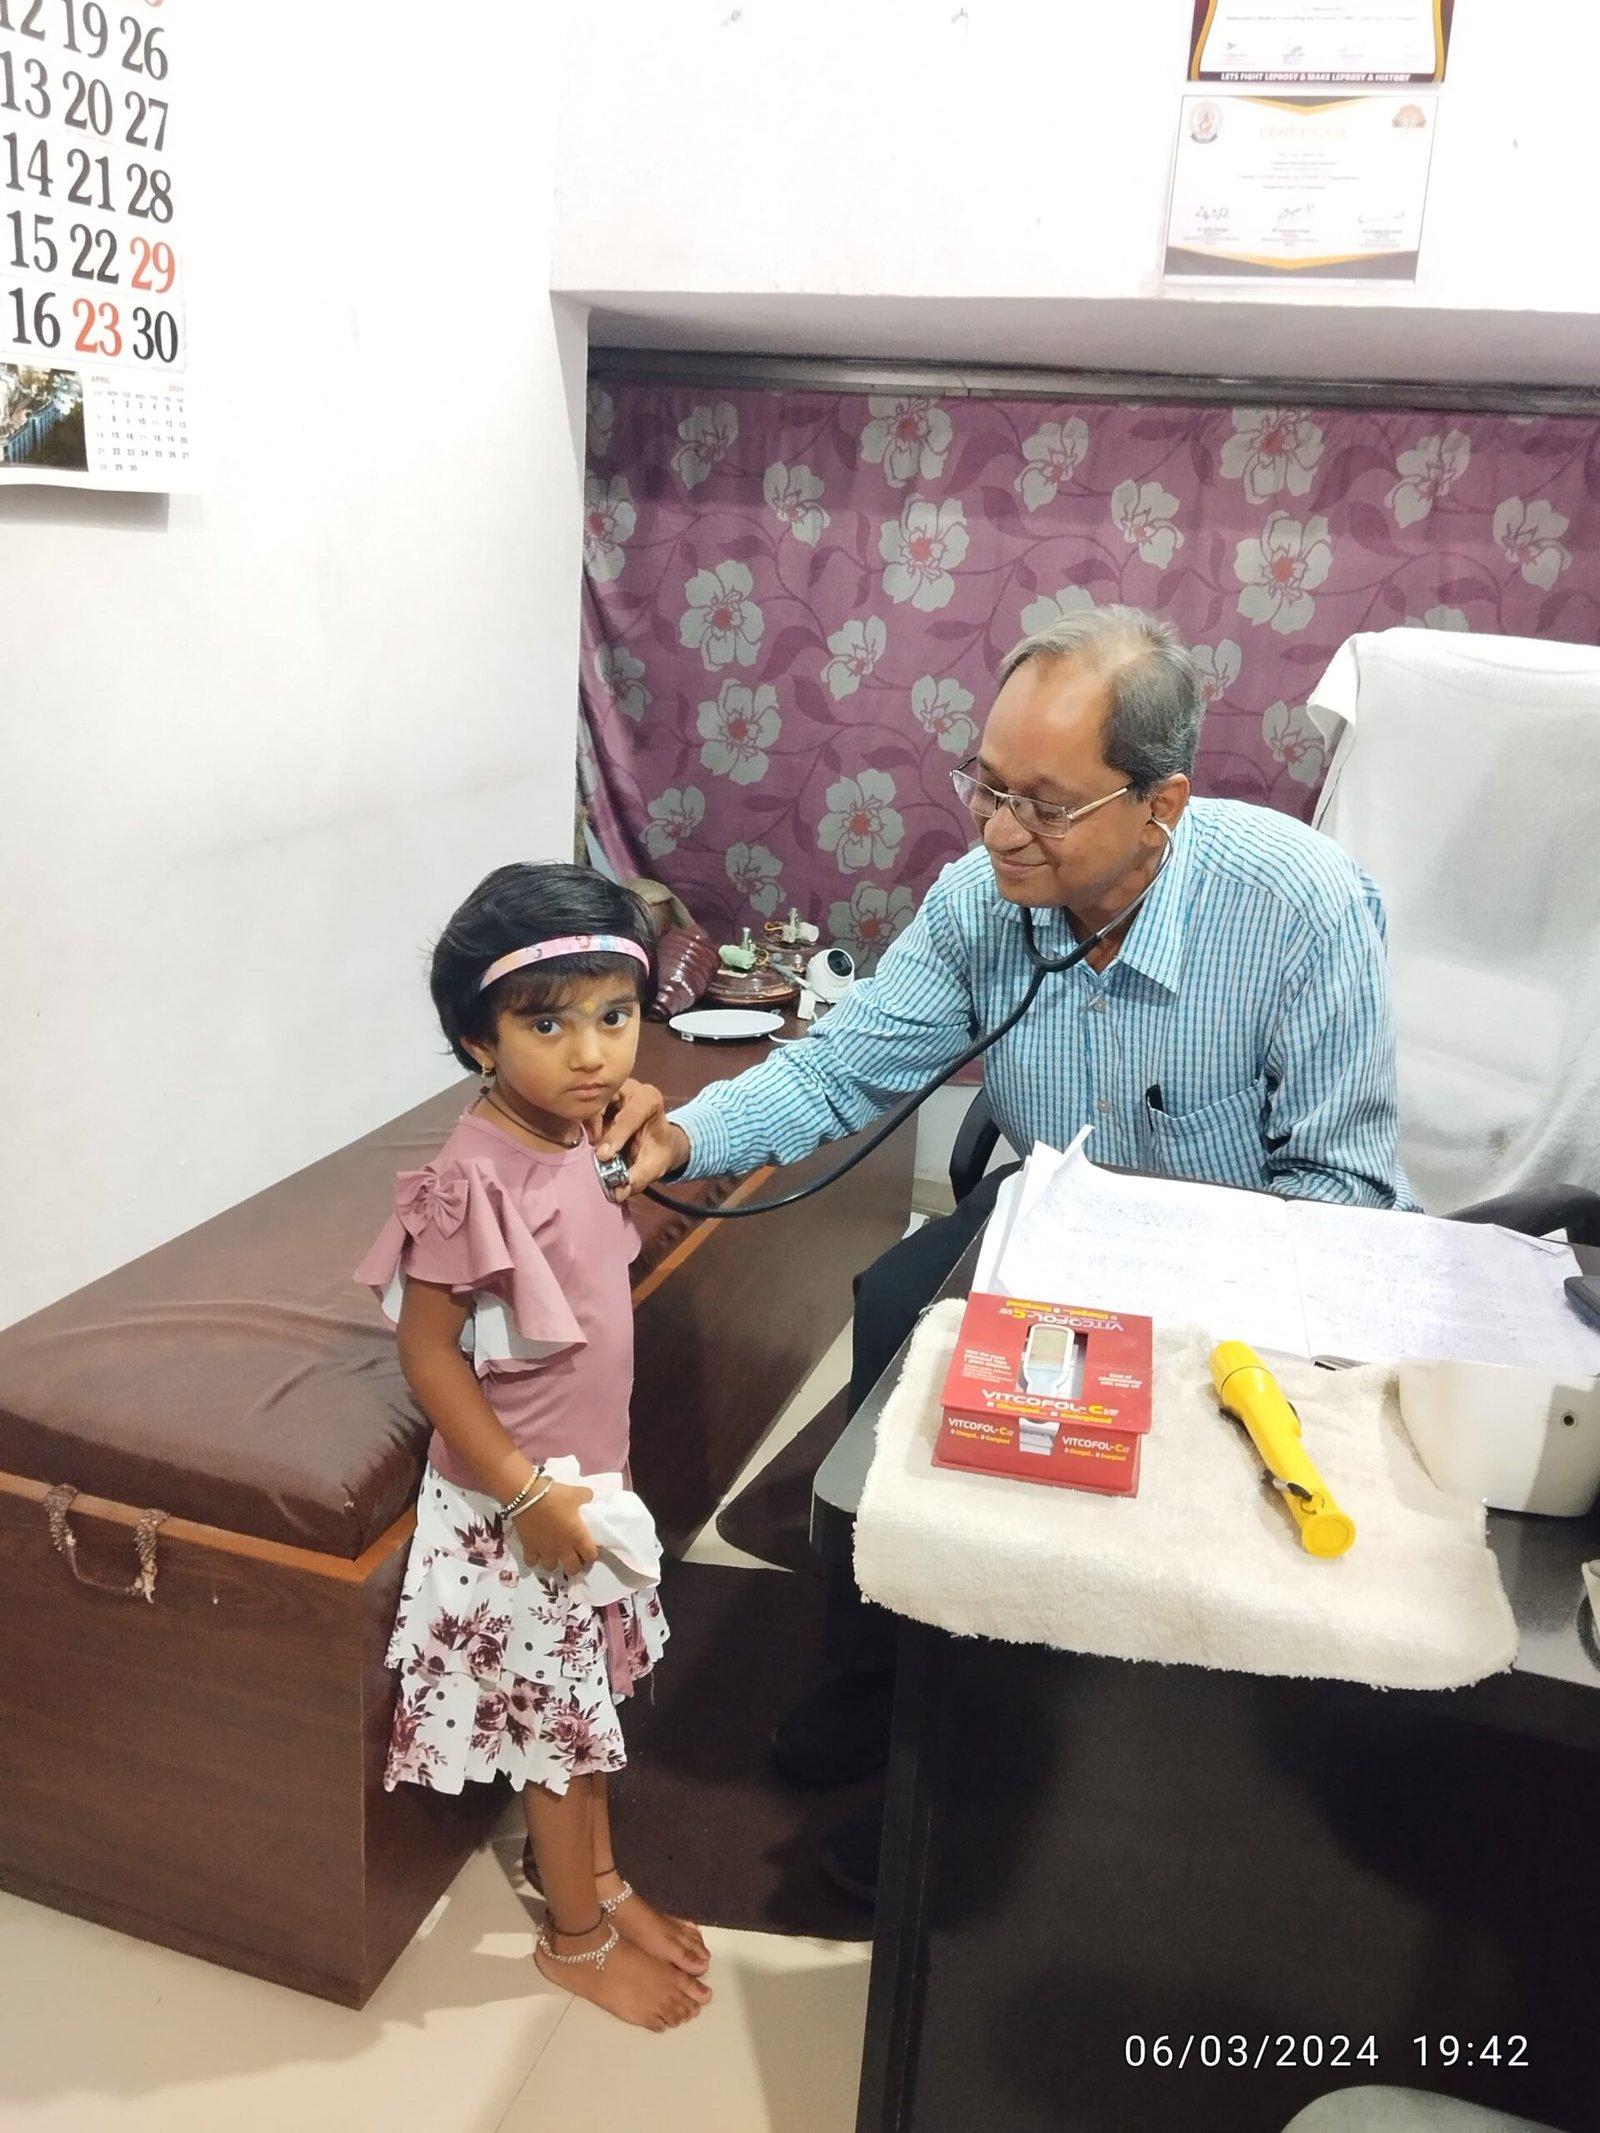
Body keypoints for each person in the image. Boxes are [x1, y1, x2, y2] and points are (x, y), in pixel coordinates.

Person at [598, 604, 1418, 1894]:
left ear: (1162, 803)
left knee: (1072, 1480)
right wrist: (677, 1138)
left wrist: (1191, 1329)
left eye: (1042, 804)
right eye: (984, 784)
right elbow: (841, 1071)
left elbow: (1341, 1191)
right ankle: (882, 1674)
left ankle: (984, 1777)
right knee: (897, 1316)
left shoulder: (1301, 912)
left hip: (1231, 1267)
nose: (992, 832)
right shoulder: (982, 900)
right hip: (1050, 1219)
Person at [355, 861, 712, 2029]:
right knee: (558, 1744)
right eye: (546, 1025)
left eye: (615, 1018)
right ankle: (575, 1938)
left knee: (589, 1707)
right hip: (518, 1511)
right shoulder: (470, 1180)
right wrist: (520, 1499)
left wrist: (636, 1132)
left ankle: (603, 1883)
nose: (595, 1055)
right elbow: (429, 1354)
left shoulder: (572, 1130)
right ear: (476, 1043)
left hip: (583, 1485)